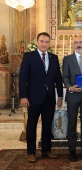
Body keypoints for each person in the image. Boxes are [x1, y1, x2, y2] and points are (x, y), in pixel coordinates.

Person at [19, 32, 63, 163]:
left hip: (49, 98)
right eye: (42, 41)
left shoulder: (54, 57)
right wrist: (23, 96)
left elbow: (58, 79)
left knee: (47, 125)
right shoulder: (29, 56)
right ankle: (31, 152)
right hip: (33, 98)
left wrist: (60, 95)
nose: (44, 44)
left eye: (47, 42)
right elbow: (22, 78)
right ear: (37, 42)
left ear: (49, 43)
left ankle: (46, 150)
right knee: (31, 125)